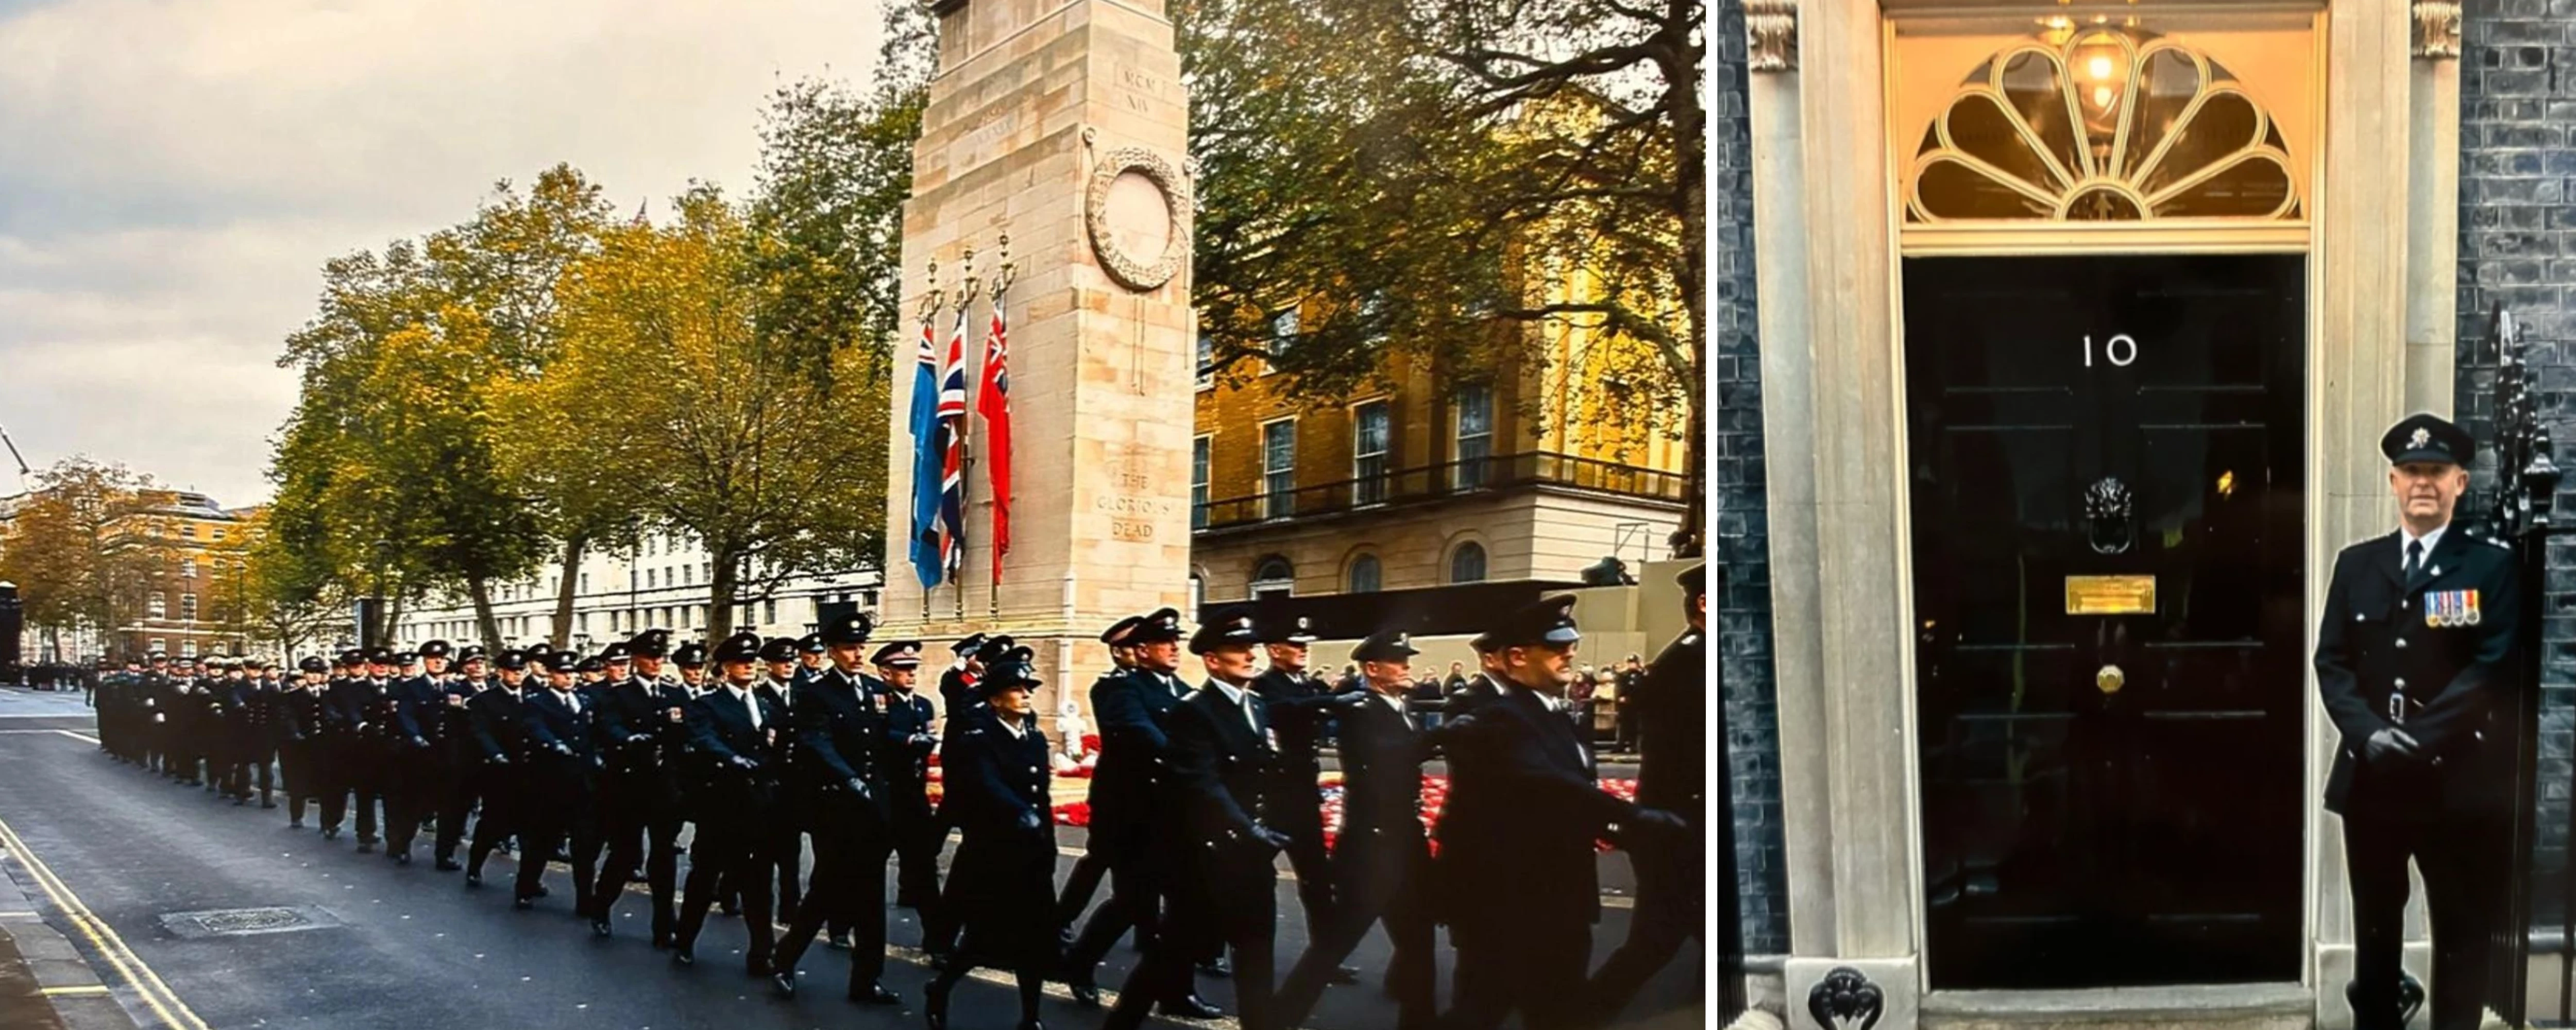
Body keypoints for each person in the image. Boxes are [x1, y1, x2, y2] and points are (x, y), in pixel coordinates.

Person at [2316, 413, 2520, 1030]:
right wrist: (2366, 732)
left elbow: (2491, 668)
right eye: (2410, 472)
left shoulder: (2489, 568)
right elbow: (2331, 660)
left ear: (2459, 482)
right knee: (2374, 934)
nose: (2421, 483)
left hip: (2455, 781)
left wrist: (2421, 739)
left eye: (2435, 472)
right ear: (2392, 481)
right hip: (2372, 778)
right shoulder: (2357, 564)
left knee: (2460, 934)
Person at [1435, 594, 1684, 1030]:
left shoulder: (1557, 716)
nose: (1570, 652)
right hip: (1510, 905)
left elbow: (1570, 793)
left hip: (1557, 899)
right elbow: (1549, 784)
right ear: (1517, 656)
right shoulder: (1500, 718)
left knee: (1551, 1012)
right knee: (1483, 1011)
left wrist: (1624, 831)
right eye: (1555, 646)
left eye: (1571, 642)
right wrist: (1633, 818)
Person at [1106, 606, 1288, 1030]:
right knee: (1172, 952)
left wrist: (1275, 823)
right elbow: (1204, 784)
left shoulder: (1257, 706)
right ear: (1212, 661)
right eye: (1238, 650)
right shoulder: (1194, 711)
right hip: (1208, 859)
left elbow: (1266, 773)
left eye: (1251, 648)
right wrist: (1248, 829)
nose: (1250, 656)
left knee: (1257, 953)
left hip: (1252, 856)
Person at [1273, 628, 1437, 1030]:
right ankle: (1277, 1020)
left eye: (1406, 660)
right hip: (1372, 843)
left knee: (1418, 941)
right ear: (1372, 668)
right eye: (1398, 662)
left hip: (1404, 839)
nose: (1406, 668)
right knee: (1333, 946)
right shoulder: (1361, 709)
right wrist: (1442, 738)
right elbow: (1387, 756)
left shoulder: (1399, 706)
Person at [1062, 609, 1220, 1018]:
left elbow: (1209, 725)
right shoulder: (1124, 690)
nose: (1174, 649)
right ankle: (1081, 961)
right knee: (1134, 903)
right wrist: (1188, 758)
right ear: (1142, 650)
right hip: (1130, 815)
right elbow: (1140, 733)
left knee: (1183, 906)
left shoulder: (1181, 689)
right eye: (1164, 643)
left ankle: (1177, 992)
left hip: (1172, 812)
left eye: (1175, 641)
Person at [1587, 564, 1708, 1023]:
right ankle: (1578, 1015)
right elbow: (1687, 761)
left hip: (1689, 827)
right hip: (1680, 830)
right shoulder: (1685, 664)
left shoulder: (1701, 658)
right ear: (1704, 604)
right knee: (1656, 942)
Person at [770, 614, 904, 1004]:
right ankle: (785, 959)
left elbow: (881, 742)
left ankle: (867, 980)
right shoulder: (815, 693)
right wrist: (849, 779)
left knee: (872, 896)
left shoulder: (876, 690)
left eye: (862, 647)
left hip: (873, 806)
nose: (858, 654)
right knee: (827, 891)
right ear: (831, 651)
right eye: (849, 647)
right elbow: (817, 741)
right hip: (837, 807)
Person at [922, 647, 1057, 1030]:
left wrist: (1044, 840)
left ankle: (1031, 1016)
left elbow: (1041, 796)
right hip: (995, 855)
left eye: (1028, 688)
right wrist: (1018, 812)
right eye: (1017, 689)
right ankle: (941, 988)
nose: (1026, 694)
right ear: (996, 699)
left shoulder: (1033, 738)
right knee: (982, 941)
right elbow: (986, 783)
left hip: (1031, 855)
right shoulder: (979, 739)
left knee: (1033, 941)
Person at [1248, 614, 1366, 983]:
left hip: (1301, 795)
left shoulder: (1303, 684)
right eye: (1296, 646)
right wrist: (1331, 701)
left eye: (1305, 646)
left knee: (1317, 880)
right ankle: (1212, 949)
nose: (1303, 651)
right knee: (1246, 878)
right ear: (1274, 650)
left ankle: (1326, 957)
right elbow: (1281, 711)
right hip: (1273, 795)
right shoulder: (1265, 685)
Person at [670, 630, 784, 976]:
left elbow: (777, 746)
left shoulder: (765, 705)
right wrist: (731, 758)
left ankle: (761, 951)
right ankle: (686, 940)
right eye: (741, 662)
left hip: (759, 804)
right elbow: (703, 738)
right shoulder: (708, 704)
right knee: (705, 878)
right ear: (726, 668)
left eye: (753, 662)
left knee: (759, 882)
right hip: (722, 804)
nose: (749, 667)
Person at [589, 630, 694, 943]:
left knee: (663, 856)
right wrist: (629, 740)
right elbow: (609, 727)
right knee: (625, 853)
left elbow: (687, 731)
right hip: (629, 785)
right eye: (650, 657)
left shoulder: (675, 694)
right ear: (636, 659)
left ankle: (664, 924)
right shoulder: (618, 695)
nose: (656, 663)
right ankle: (601, 907)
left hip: (665, 786)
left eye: (660, 657)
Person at [516, 649, 604, 914]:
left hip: (582, 783)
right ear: (552, 675)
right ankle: (526, 887)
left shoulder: (585, 701)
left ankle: (585, 898)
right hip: (551, 783)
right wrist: (554, 744)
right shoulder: (538, 702)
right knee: (542, 840)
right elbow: (535, 727)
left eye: (572, 673)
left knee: (584, 846)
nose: (569, 678)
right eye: (563, 673)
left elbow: (595, 732)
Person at [876, 640, 943, 913]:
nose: (911, 674)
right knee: (872, 858)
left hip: (914, 789)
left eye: (913, 668)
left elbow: (929, 734)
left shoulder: (923, 705)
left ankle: (916, 899)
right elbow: (878, 735)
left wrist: (928, 741)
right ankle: (843, 920)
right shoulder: (879, 703)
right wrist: (909, 740)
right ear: (885, 673)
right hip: (887, 789)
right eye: (903, 669)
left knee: (921, 856)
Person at [462, 649, 536, 888]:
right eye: (512, 671)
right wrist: (496, 754)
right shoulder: (485, 701)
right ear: (501, 673)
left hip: (531, 772)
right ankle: (475, 867)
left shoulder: (535, 697)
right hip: (500, 772)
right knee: (493, 823)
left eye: (521, 671)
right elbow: (480, 732)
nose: (517, 675)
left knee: (531, 829)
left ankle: (529, 880)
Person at [321, 648, 387, 849]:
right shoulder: (337, 688)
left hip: (370, 744)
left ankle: (366, 832)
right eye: (352, 666)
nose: (357, 669)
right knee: (340, 788)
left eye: (360, 665)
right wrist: (346, 723)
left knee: (366, 791)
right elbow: (331, 711)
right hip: (344, 743)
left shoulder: (372, 687)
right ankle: (332, 822)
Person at [274, 656, 330, 829]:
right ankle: (297, 816)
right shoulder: (293, 696)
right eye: (311, 673)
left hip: (323, 745)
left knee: (326, 784)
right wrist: (296, 733)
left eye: (318, 674)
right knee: (299, 784)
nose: (314, 677)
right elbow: (288, 717)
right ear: (304, 675)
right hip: (301, 745)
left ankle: (327, 822)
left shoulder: (329, 695)